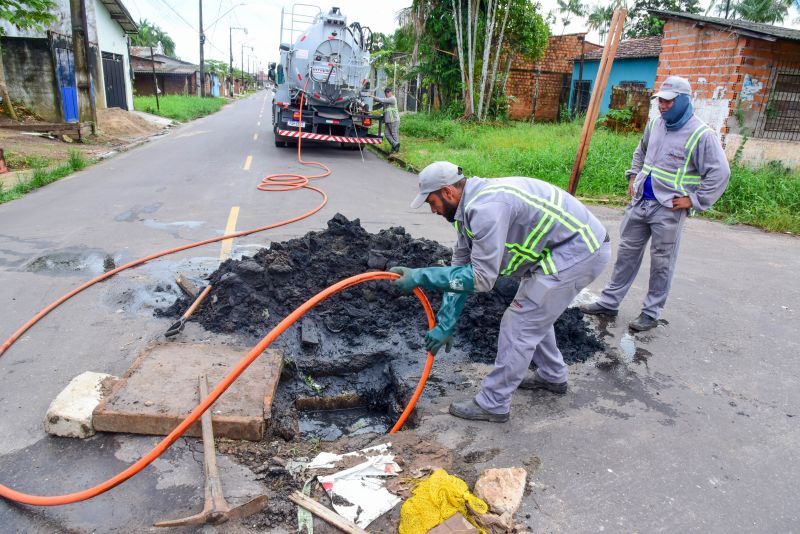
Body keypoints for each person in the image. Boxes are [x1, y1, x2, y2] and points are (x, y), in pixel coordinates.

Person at [390, 162, 611, 422]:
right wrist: (446, 323)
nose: (433, 210)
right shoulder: (468, 209)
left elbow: (482, 279)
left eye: (432, 202)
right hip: (559, 252)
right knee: (534, 314)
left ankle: (493, 403)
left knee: (520, 322)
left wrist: (419, 276)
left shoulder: (486, 209)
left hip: (578, 252)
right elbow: (460, 268)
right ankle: (552, 376)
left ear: (448, 192)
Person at [580, 76, 730, 332]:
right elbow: (641, 152)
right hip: (641, 202)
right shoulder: (656, 125)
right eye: (661, 100)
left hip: (668, 208)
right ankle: (609, 301)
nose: (662, 105)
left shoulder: (701, 134)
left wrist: (694, 200)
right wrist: (632, 176)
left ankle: (650, 312)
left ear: (683, 101)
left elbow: (720, 173)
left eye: (669, 102)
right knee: (626, 255)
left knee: (662, 262)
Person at [373, 87, 400, 152]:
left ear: (391, 92)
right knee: (386, 133)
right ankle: (395, 145)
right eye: (385, 93)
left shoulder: (392, 99)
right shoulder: (386, 100)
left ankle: (396, 149)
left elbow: (381, 100)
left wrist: (372, 96)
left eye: (388, 92)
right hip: (388, 121)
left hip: (394, 120)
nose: (386, 94)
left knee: (394, 134)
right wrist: (369, 107)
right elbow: (378, 105)